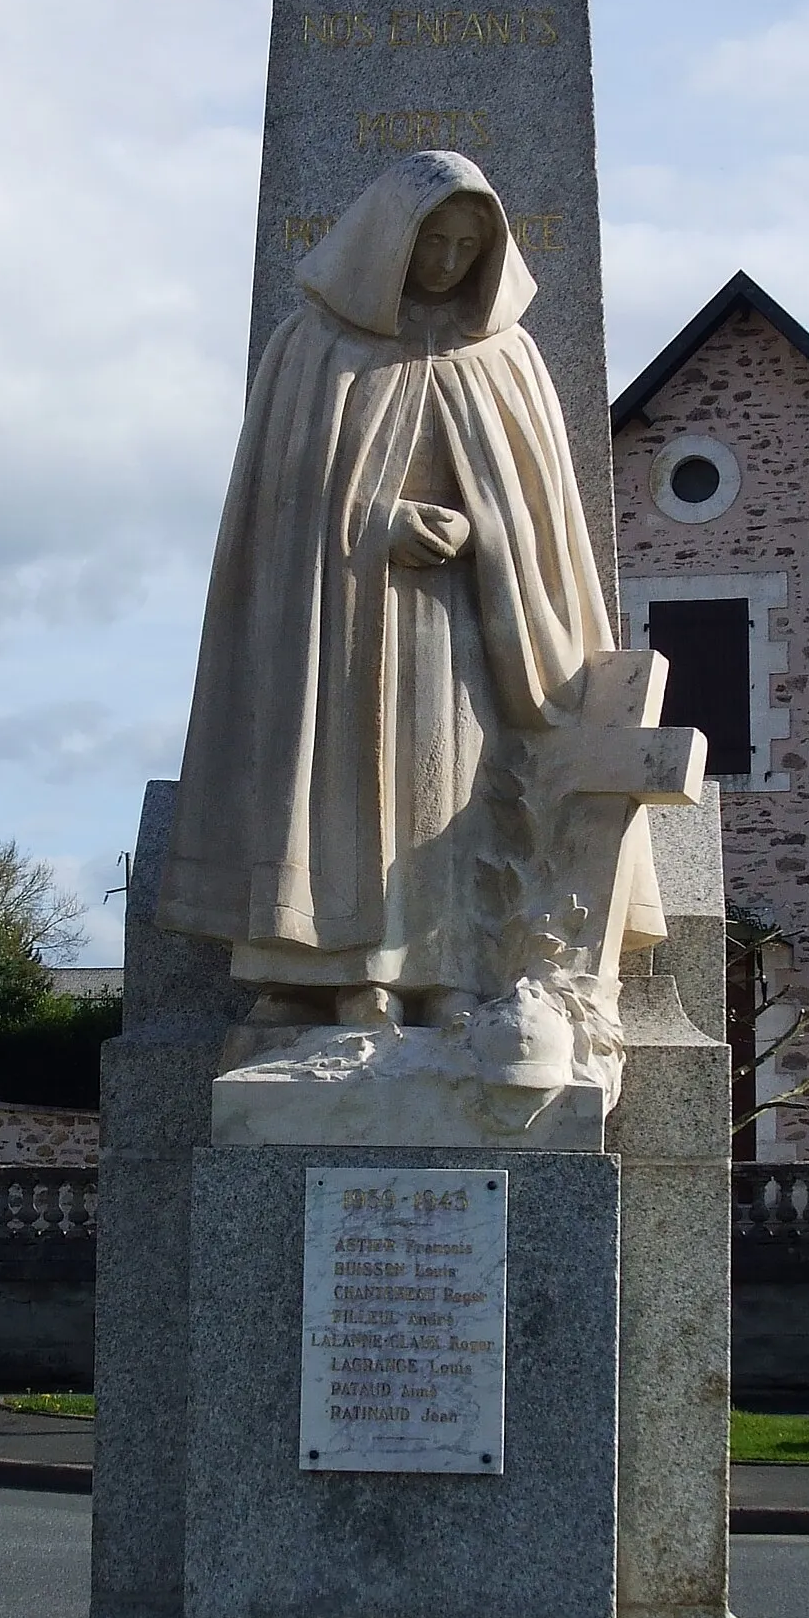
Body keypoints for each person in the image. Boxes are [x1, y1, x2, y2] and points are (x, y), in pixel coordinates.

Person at [158, 148, 661, 1036]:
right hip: (340, 626)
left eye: (468, 247)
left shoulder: (507, 357)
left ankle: (454, 970)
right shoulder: (312, 347)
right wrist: (372, 523)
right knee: (338, 792)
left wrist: (483, 533)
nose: (446, 263)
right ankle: (343, 974)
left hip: (465, 633)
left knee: (449, 799)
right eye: (433, 241)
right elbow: (280, 505)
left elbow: (542, 519)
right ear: (392, 237)